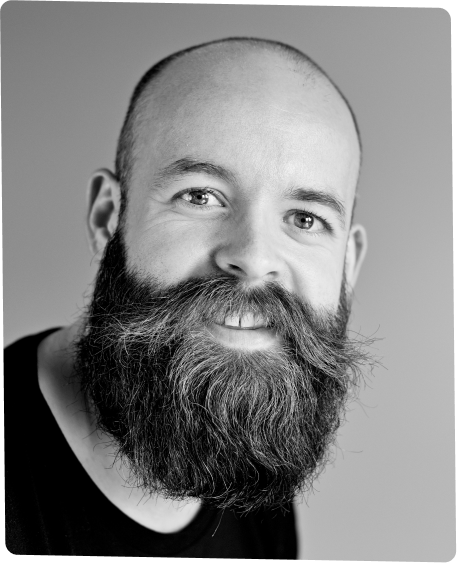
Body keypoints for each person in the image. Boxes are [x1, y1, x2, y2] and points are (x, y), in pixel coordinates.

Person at [4, 37, 371, 558]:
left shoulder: (247, 460)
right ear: (108, 218)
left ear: (348, 266)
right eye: (200, 196)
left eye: (306, 219)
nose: (254, 257)